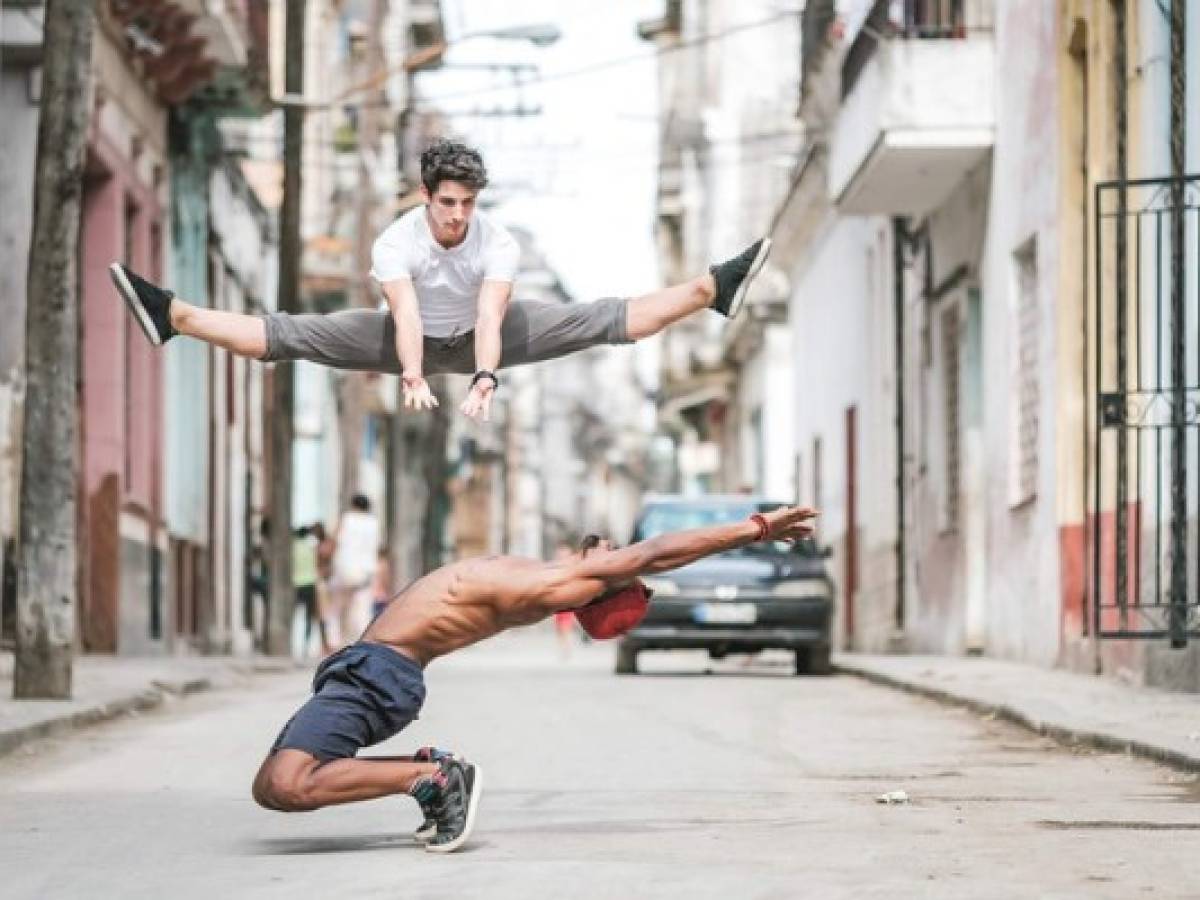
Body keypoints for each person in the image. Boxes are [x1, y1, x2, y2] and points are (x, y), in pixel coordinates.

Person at [250, 504, 817, 853]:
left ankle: (432, 778)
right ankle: (430, 773)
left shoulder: (571, 582)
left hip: (377, 674)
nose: (614, 547)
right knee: (270, 786)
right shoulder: (554, 571)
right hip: (367, 668)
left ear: (608, 584)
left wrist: (757, 529)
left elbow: (661, 553)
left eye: (620, 558)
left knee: (289, 784)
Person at [107, 139, 772, 423]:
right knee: (293, 334)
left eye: (468, 203)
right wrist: (414, 376)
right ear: (428, 196)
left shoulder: (497, 241)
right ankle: (176, 316)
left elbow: (490, 314)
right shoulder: (396, 240)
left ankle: (714, 289)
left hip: (493, 334)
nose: (457, 215)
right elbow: (402, 312)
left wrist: (484, 378)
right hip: (406, 336)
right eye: (447, 202)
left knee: (600, 319)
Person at [328, 494, 380, 649]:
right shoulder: (373, 523)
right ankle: (363, 642)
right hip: (366, 571)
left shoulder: (346, 519)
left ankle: (334, 640)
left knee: (336, 608)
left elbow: (335, 540)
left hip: (344, 569)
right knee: (361, 609)